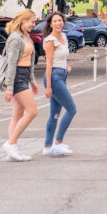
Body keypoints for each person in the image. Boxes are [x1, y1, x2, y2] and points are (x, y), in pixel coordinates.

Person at [1, 9, 40, 161]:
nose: (33, 24)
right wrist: (9, 87)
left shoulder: (25, 36)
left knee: (17, 115)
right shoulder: (15, 38)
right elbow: (11, 64)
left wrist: (32, 80)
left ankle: (12, 149)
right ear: (23, 20)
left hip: (23, 76)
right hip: (17, 77)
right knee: (32, 111)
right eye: (32, 21)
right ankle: (11, 144)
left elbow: (28, 62)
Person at [42, 11, 76, 157]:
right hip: (53, 77)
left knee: (54, 114)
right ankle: (58, 143)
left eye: (60, 20)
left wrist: (65, 67)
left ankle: (47, 146)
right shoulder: (50, 40)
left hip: (61, 74)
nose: (58, 23)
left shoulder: (63, 37)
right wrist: (48, 86)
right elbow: (49, 64)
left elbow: (61, 57)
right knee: (71, 109)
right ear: (50, 24)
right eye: (55, 21)